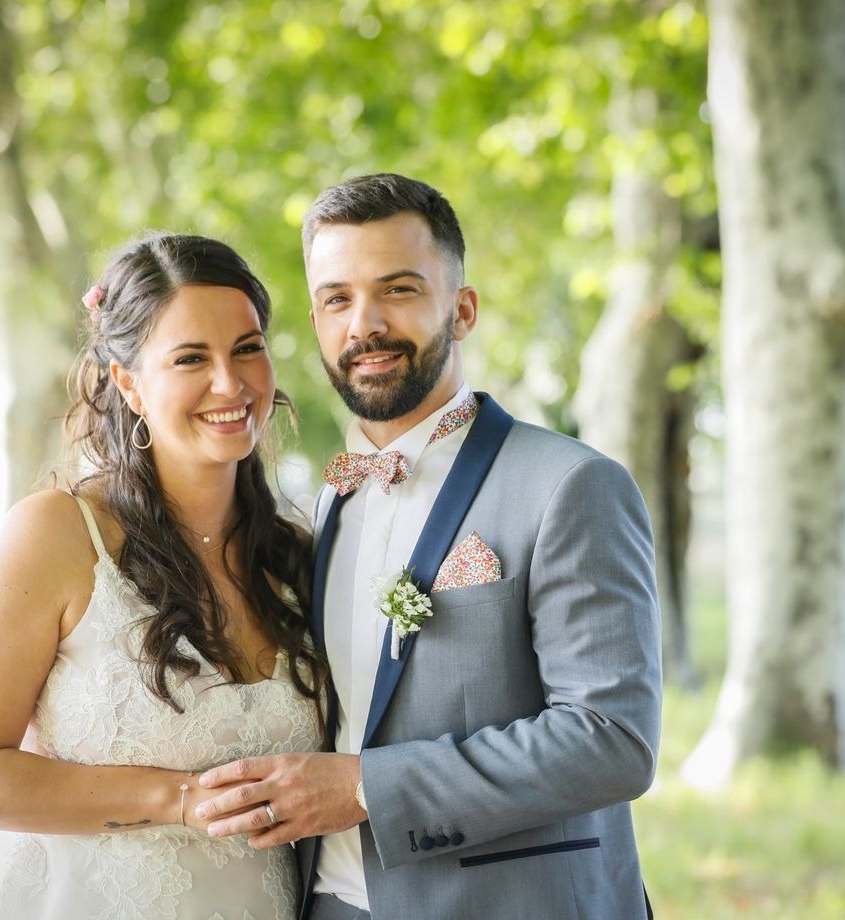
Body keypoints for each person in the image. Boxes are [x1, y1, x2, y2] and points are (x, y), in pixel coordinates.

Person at [194, 174, 663, 919]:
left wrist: (358, 787)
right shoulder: (329, 504)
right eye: (337, 299)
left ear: (463, 308)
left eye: (400, 290)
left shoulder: (571, 485)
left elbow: (611, 740)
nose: (365, 325)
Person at [0, 234, 326, 920]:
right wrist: (175, 800)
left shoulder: (296, 557)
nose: (230, 383)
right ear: (130, 384)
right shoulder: (56, 534)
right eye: (191, 358)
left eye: (247, 348)